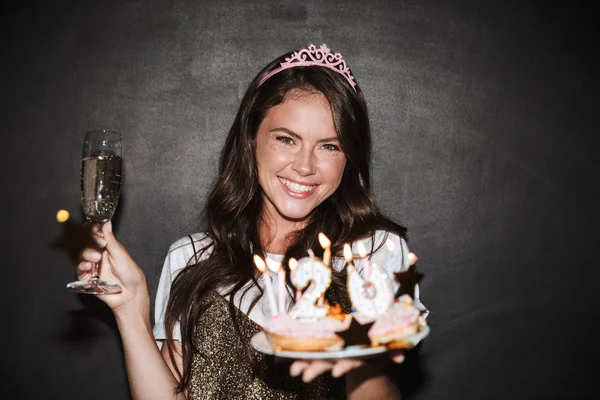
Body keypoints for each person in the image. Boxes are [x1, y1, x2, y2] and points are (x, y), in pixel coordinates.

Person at [77, 43, 423, 399]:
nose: (305, 166)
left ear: (349, 157)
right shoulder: (192, 257)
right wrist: (131, 308)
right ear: (251, 140)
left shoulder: (373, 255)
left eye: (329, 146)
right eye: (286, 140)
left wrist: (360, 349)